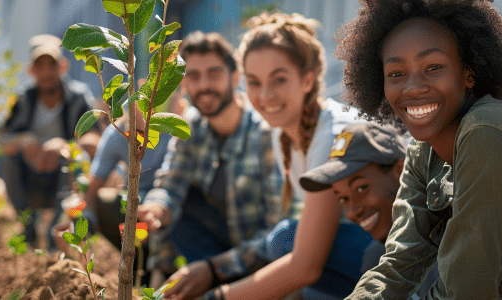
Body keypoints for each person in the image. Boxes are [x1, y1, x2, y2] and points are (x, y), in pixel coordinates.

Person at [333, 0, 502, 299]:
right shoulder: (424, 153)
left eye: (433, 68)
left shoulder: (487, 133)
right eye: (396, 74)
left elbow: (464, 290)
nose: (413, 87)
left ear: (468, 73)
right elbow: (400, 263)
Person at [169, 13, 383, 300]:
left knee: (285, 239)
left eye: (279, 79)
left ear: (307, 80)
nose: (265, 95)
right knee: (281, 243)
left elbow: (305, 266)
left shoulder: (331, 136)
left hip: (402, 259)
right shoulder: (282, 133)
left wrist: (217, 297)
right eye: (254, 82)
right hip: (360, 254)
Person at [136, 30, 283, 293]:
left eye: (214, 74)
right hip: (209, 251)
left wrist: (215, 269)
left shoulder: (266, 135)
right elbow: (171, 185)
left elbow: (279, 233)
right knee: (167, 203)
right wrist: (157, 208)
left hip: (257, 265)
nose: (203, 85)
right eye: (193, 76)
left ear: (235, 78)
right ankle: (166, 280)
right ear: (184, 84)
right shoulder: (190, 125)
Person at [299, 123, 438, 299]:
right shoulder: (377, 257)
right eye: (344, 198)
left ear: (401, 171)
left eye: (361, 188)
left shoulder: (449, 239)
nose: (351, 212)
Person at [0, 34, 100, 249]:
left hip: (64, 177)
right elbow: (0, 139)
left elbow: (96, 139)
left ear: (63, 66)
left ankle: (59, 234)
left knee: (76, 159)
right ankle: (29, 231)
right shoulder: (22, 99)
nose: (46, 73)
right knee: (7, 160)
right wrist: (23, 140)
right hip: (30, 179)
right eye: (39, 66)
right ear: (31, 70)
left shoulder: (79, 97)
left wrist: (65, 146)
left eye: (51, 65)